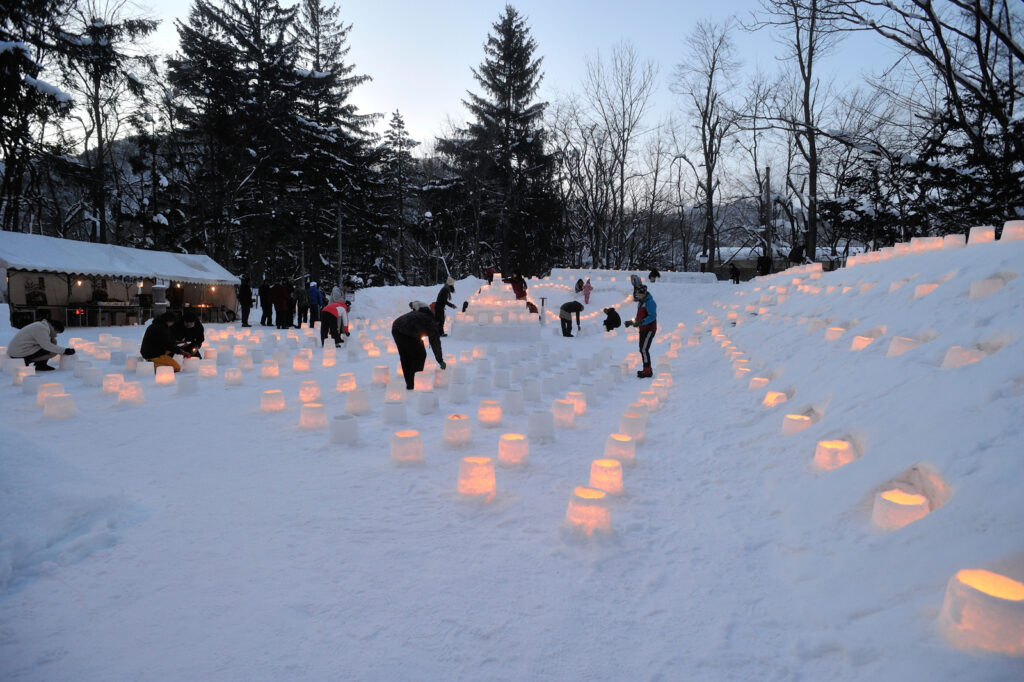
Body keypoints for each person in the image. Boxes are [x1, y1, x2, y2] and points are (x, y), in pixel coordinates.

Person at [391, 301, 446, 390]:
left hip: (396, 326)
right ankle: (415, 383)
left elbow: (414, 303)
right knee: (420, 355)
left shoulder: (423, 310)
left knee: (405, 356)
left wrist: (411, 304)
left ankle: (410, 384)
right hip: (409, 331)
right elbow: (435, 342)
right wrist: (440, 360)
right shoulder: (432, 322)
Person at [6, 318, 74, 372]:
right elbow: (47, 346)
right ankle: (27, 361)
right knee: (53, 350)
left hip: (19, 351)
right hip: (18, 354)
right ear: (53, 328)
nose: (56, 335)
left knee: (53, 342)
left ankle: (40, 364)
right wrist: (65, 351)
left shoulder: (41, 326)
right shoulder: (41, 328)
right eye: (56, 333)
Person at [624, 276, 657, 378]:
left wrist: (641, 322)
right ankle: (646, 369)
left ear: (643, 294)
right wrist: (632, 322)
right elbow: (639, 317)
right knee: (642, 349)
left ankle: (647, 371)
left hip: (649, 329)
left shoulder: (650, 302)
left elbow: (652, 316)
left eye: (639, 295)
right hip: (643, 328)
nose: (637, 297)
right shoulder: (641, 302)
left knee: (644, 349)